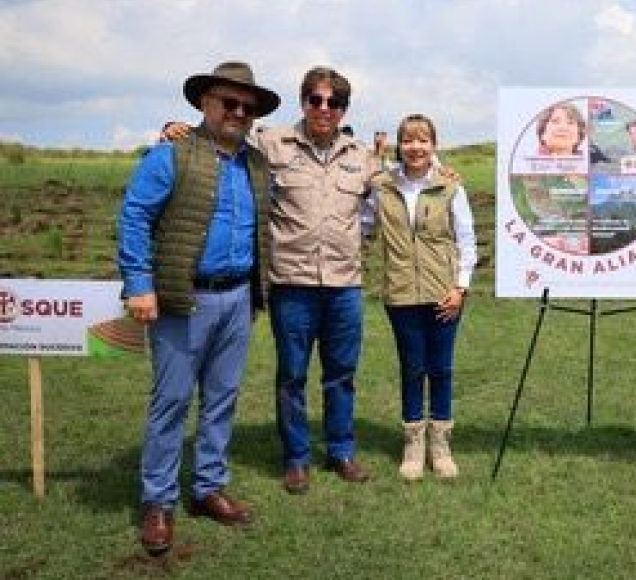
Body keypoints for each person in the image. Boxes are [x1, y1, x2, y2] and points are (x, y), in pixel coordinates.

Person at [162, 66, 380, 494]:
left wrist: (443, 173)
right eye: (315, 100)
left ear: (344, 110)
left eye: (333, 103)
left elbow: (404, 183)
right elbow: (218, 139)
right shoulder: (269, 143)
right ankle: (296, 458)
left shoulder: (363, 156)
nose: (324, 109)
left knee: (342, 374)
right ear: (304, 102)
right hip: (291, 283)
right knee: (292, 374)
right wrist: (179, 131)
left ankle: (341, 450)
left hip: (344, 285)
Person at [120, 61, 280, 555]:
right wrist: (140, 285)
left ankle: (208, 487)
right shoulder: (170, 155)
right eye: (228, 102)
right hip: (181, 298)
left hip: (236, 298)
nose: (237, 112)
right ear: (203, 104)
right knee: (171, 401)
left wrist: (254, 294)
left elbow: (259, 231)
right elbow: (135, 218)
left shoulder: (256, 163)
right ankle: (159, 501)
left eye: (246, 107)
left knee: (222, 398)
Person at [374, 114, 477, 480]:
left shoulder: (450, 187)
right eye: (408, 140)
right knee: (412, 368)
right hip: (400, 294)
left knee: (442, 369)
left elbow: (466, 241)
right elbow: (362, 223)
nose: (415, 147)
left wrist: (459, 287)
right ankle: (413, 443)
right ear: (398, 145)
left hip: (443, 293)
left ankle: (440, 443)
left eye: (423, 140)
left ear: (433, 146)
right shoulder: (382, 186)